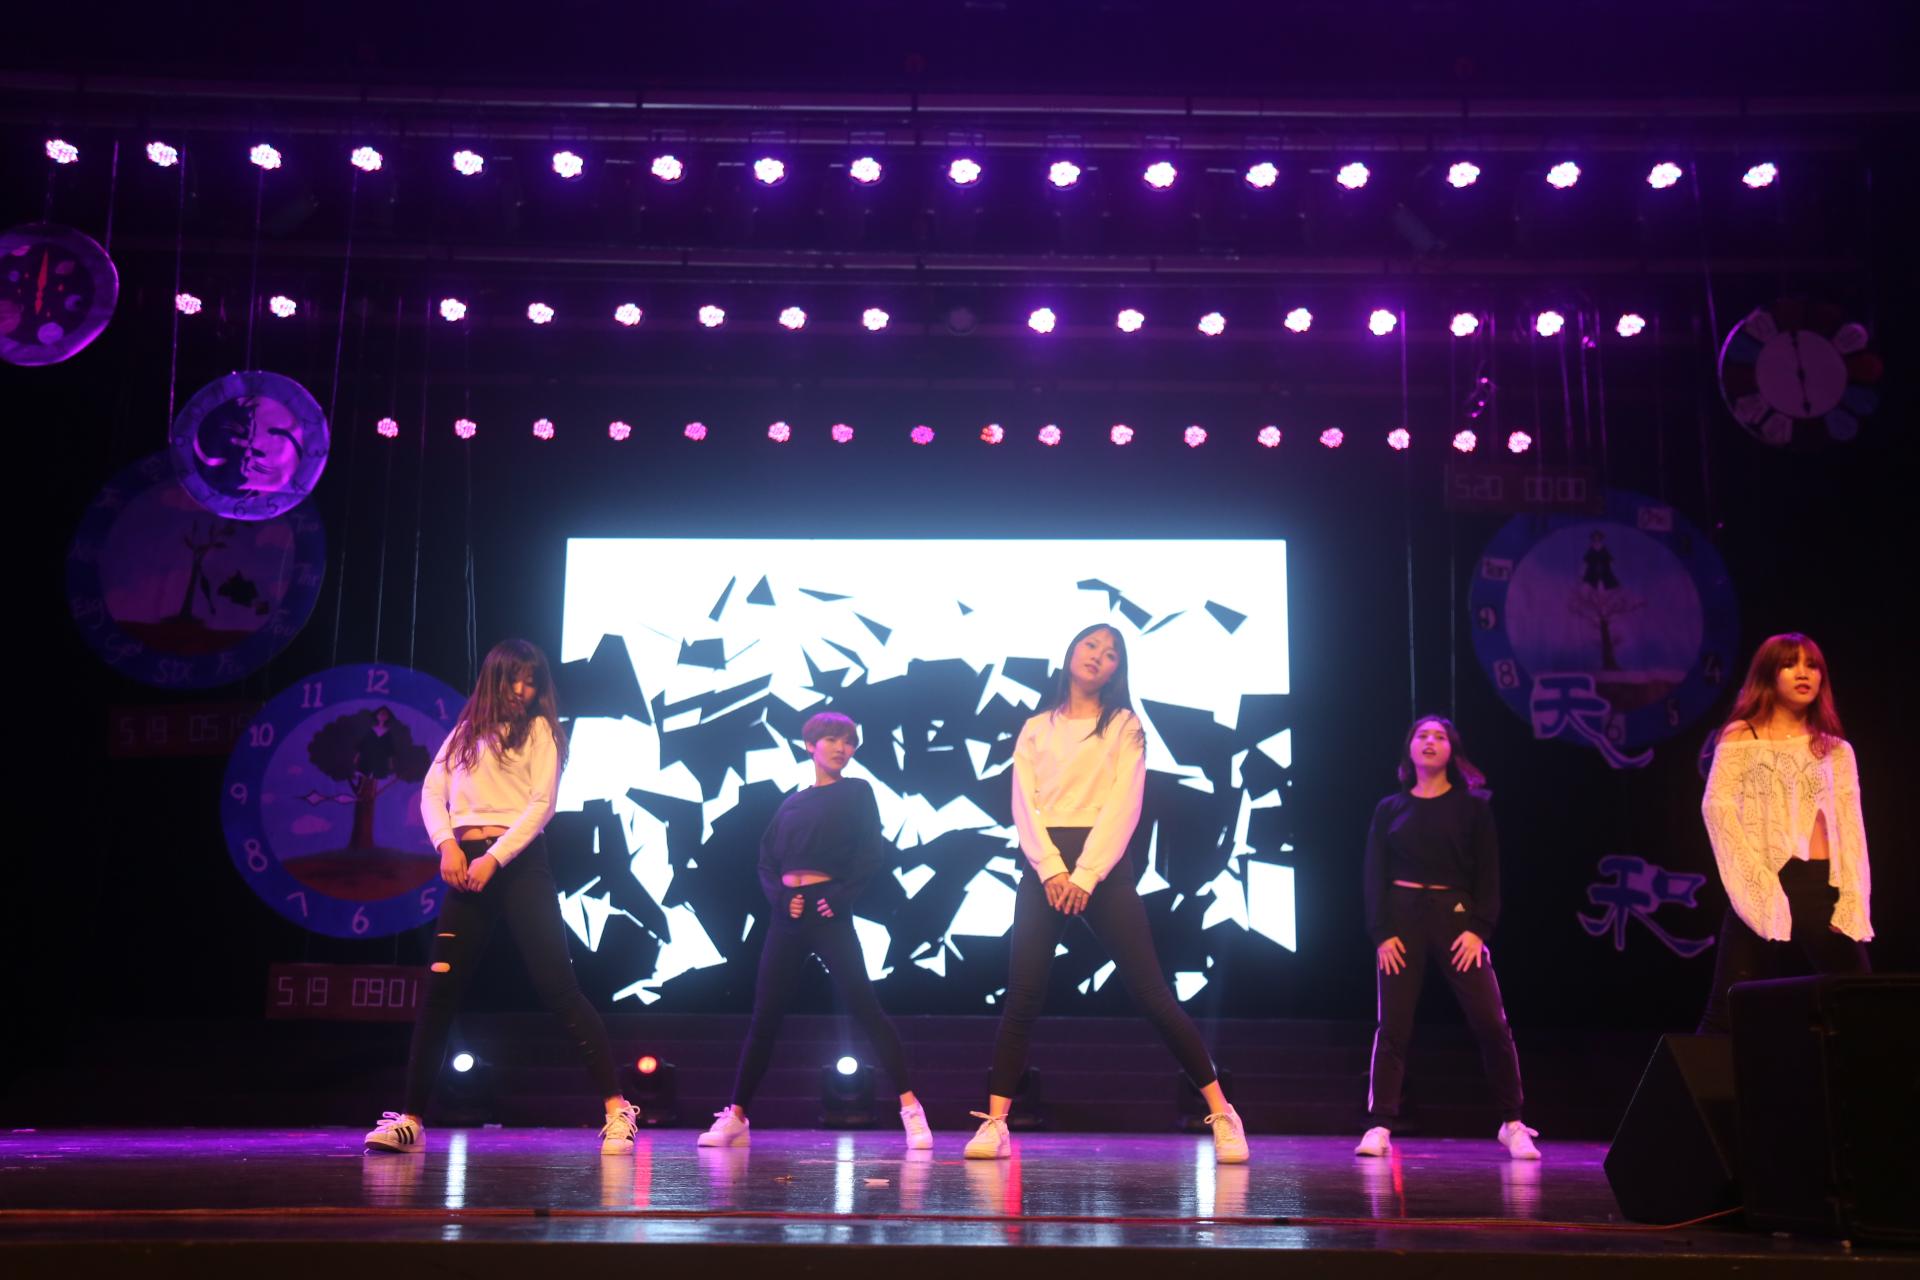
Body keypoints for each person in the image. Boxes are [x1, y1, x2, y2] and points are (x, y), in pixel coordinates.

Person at [964, 623, 1249, 1164]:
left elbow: (1125, 804)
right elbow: (1024, 804)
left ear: (1119, 670)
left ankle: (1223, 1112)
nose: (1098, 656)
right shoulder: (1035, 728)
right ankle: (996, 1124)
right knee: (1022, 996)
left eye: (1112, 653)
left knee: (1152, 994)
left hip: (1105, 864)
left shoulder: (1123, 725)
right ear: (1071, 652)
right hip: (1045, 865)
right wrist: (1052, 869)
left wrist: (1086, 874)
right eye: (1091, 645)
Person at [364, 639, 638, 1155]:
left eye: (532, 682)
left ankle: (616, 1108)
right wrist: (447, 844)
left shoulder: (541, 732)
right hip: (465, 862)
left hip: (519, 864)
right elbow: (431, 792)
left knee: (559, 988)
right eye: (515, 679)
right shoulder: (465, 733)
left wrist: (494, 858)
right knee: (440, 992)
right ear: (495, 679)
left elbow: (542, 804)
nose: (523, 690)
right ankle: (411, 1119)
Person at [697, 711, 931, 1150]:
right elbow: (766, 861)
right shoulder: (791, 803)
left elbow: (871, 854)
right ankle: (737, 1116)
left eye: (849, 741)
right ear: (810, 746)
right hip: (788, 914)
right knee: (765, 1016)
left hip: (828, 912)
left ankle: (911, 1109)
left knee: (864, 1006)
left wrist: (841, 897)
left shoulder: (857, 791)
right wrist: (780, 899)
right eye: (833, 739)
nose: (842, 748)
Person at [1355, 716, 1537, 1161]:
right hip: (1401, 920)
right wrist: (1381, 933)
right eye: (1422, 735)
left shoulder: (1473, 808)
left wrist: (1479, 929)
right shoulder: (1389, 809)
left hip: (1456, 918)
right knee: (1393, 1025)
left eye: (1439, 736)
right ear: (1410, 748)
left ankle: (1512, 1123)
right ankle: (1380, 1125)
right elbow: (1373, 874)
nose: (1430, 742)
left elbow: (1489, 873)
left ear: (1452, 750)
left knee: (1490, 1022)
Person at [1696, 633, 1871, 1034]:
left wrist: (1853, 899)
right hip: (1763, 880)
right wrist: (1751, 881)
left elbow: (1851, 827)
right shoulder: (1742, 736)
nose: (1803, 673)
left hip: (1822, 888)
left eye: (1812, 666)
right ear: (1769, 675)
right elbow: (1716, 808)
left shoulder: (1835, 750)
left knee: (1860, 1003)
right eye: (1790, 664)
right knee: (1726, 1008)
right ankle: (1697, 1079)